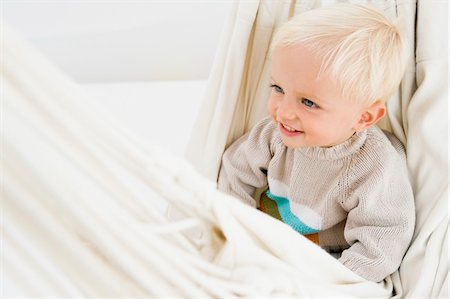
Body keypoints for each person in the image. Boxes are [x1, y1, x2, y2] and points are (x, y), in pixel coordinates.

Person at [217, 3, 415, 283]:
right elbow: (235, 171)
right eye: (278, 88)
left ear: (364, 117)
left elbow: (383, 240)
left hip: (322, 260)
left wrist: (330, 284)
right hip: (263, 237)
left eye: (309, 102)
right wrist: (237, 230)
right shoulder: (275, 132)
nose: (283, 111)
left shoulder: (373, 166)